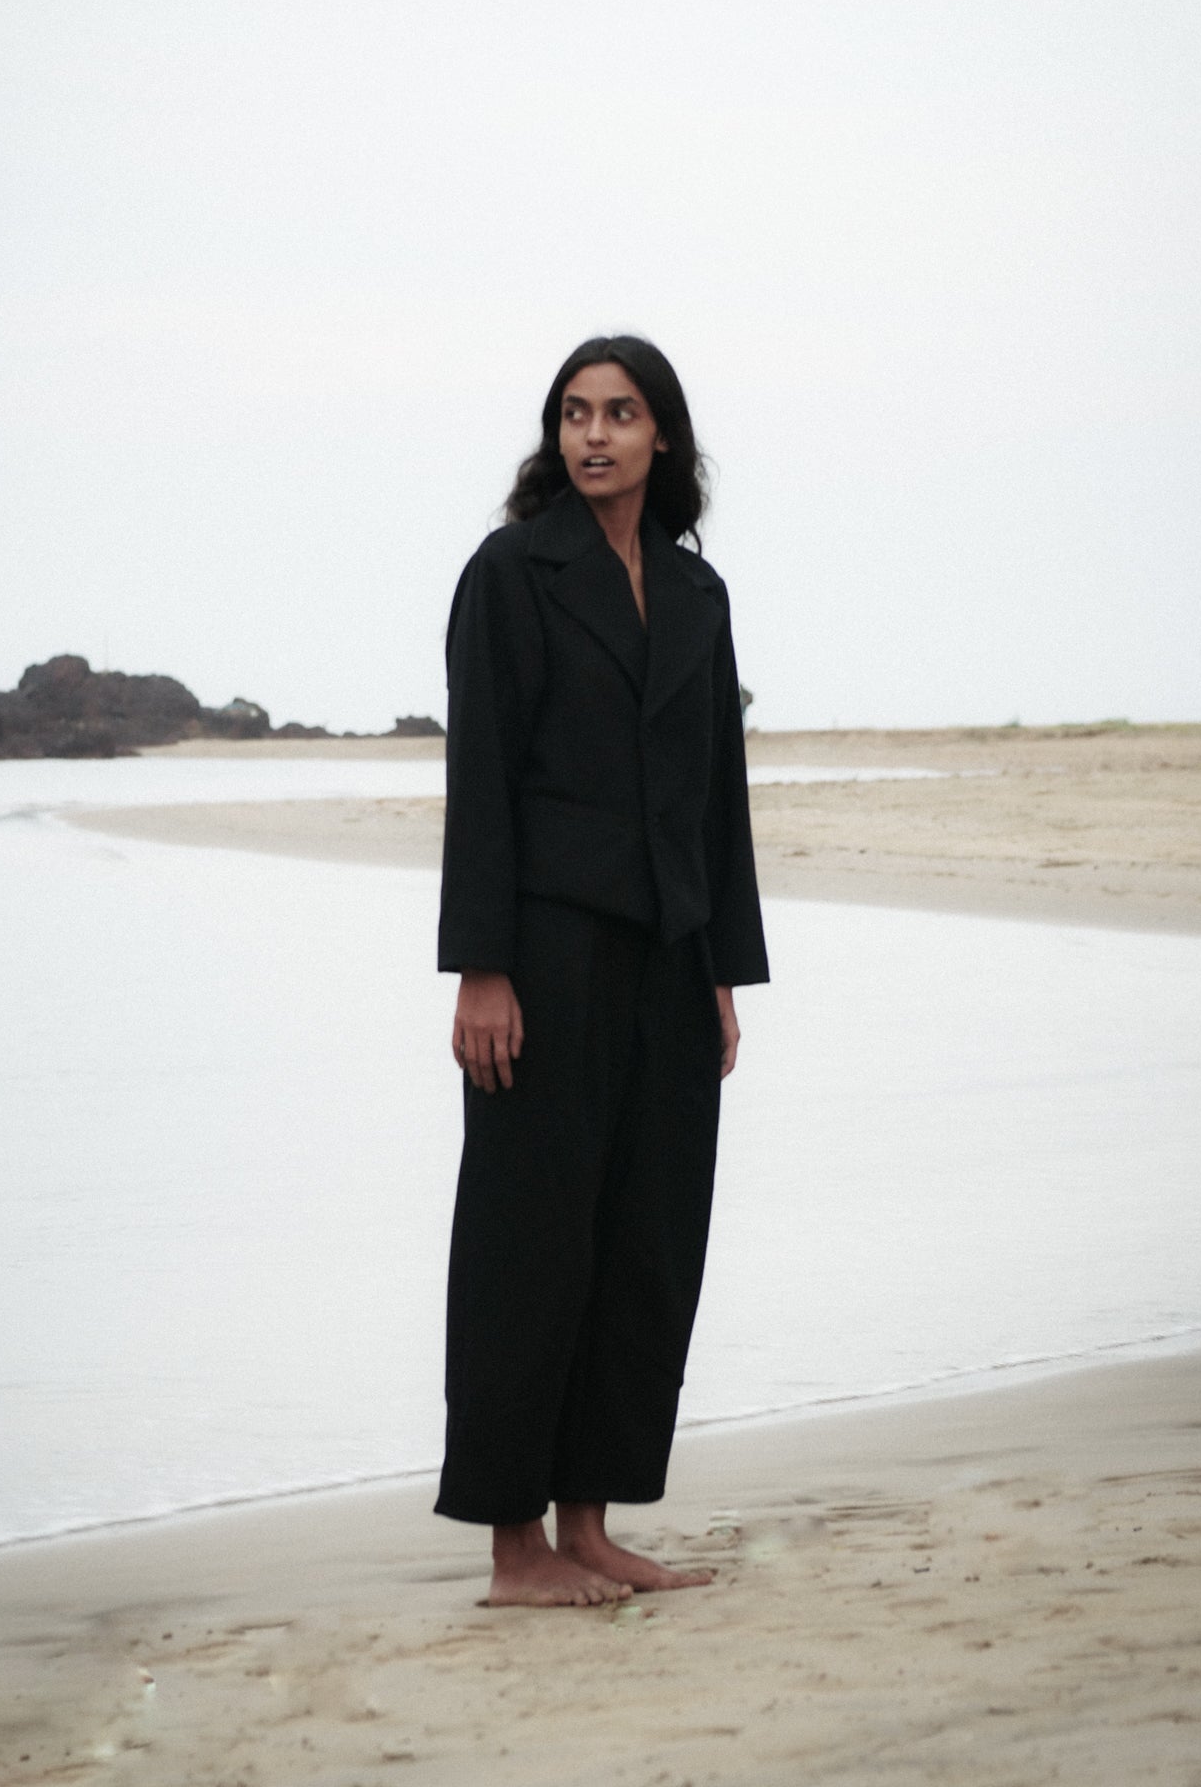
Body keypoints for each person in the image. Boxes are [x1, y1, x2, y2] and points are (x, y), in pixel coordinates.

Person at [436, 334, 769, 1607]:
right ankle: (514, 1544)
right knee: (529, 1241)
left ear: (660, 434)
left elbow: (715, 794)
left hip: (669, 961)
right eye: (575, 413)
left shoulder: (697, 594)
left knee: (645, 1243)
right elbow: (481, 778)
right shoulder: (511, 574)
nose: (593, 434)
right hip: (545, 955)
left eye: (620, 413)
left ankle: (591, 1522)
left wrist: (721, 966)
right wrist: (481, 967)